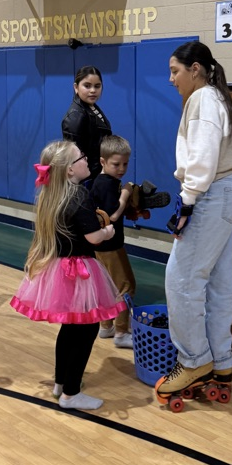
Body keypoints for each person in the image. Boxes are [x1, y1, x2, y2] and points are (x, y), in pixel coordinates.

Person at [155, 41, 232, 407]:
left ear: (195, 69)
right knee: (219, 283)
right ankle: (221, 362)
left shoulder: (203, 99)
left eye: (175, 71)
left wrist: (188, 202)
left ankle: (193, 360)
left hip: (213, 192)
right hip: (229, 189)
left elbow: (203, 156)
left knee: (181, 281)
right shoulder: (213, 97)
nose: (170, 79)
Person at [10, 140, 126, 411]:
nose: (87, 160)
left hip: (58, 270)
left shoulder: (50, 196)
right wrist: (108, 232)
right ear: (69, 171)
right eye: (81, 158)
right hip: (80, 272)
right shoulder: (79, 196)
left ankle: (61, 382)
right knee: (86, 330)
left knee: (69, 328)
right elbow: (93, 237)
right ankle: (71, 395)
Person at [89, 135, 136, 349]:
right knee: (126, 285)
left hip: (101, 246)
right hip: (110, 246)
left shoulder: (103, 182)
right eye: (116, 164)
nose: (121, 169)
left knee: (107, 286)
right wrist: (125, 194)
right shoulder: (108, 184)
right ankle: (121, 331)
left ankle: (106, 326)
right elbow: (113, 216)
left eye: (125, 164)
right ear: (102, 162)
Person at [61, 66, 111, 181]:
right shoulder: (76, 116)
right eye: (87, 86)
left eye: (97, 86)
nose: (93, 90)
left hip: (98, 173)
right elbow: (75, 159)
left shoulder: (91, 107)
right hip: (88, 179)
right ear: (76, 87)